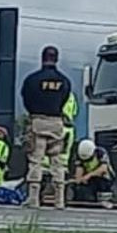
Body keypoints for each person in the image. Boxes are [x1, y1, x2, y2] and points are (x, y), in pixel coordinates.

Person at [21, 45, 71, 209]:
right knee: (57, 162)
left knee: (36, 160)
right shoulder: (64, 81)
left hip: (38, 121)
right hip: (56, 122)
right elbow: (64, 99)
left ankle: (34, 198)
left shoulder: (32, 79)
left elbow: (26, 99)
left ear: (42, 58)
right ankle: (59, 200)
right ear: (56, 59)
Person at [71, 139, 115, 209]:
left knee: (102, 180)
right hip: (89, 178)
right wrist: (79, 179)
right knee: (78, 187)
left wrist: (88, 175)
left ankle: (105, 200)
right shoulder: (79, 156)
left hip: (104, 177)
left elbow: (103, 168)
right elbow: (79, 170)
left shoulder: (101, 152)